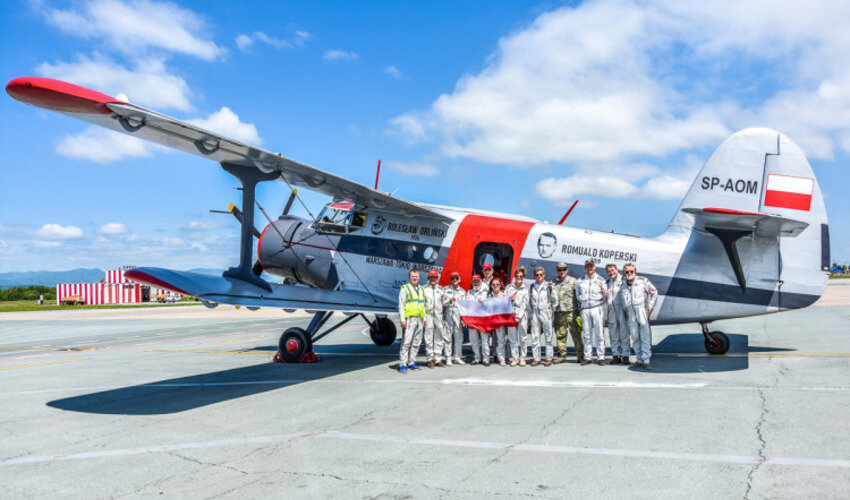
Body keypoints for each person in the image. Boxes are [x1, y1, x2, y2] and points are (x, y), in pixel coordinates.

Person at [619, 263, 658, 370]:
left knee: (645, 336)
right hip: (630, 313)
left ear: (635, 272)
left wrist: (650, 306)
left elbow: (654, 292)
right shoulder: (622, 286)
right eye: (627, 272)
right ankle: (639, 359)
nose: (629, 273)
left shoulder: (642, 281)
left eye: (631, 271)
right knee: (635, 336)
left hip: (641, 310)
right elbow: (623, 303)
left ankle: (646, 360)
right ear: (624, 273)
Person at [552, 262, 583, 364]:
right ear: (557, 270)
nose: (562, 272)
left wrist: (579, 312)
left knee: (576, 335)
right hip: (559, 312)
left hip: (572, 312)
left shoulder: (573, 281)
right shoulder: (553, 282)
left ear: (567, 270)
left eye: (564, 269)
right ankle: (562, 355)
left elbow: (579, 297)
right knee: (560, 335)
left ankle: (580, 356)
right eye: (560, 270)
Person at [577, 259, 608, 365]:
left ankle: (600, 357)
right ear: (585, 267)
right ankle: (588, 357)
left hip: (596, 308)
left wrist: (598, 304)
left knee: (599, 333)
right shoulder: (580, 280)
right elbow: (578, 295)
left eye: (591, 266)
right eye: (587, 266)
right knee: (586, 334)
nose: (589, 268)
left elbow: (605, 295)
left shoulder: (600, 280)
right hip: (585, 308)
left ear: (594, 267)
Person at [398, 268, 425, 373]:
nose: (415, 278)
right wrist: (402, 320)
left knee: (417, 342)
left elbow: (423, 305)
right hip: (410, 319)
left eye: (416, 276)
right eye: (413, 276)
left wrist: (425, 319)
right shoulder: (405, 289)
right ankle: (403, 364)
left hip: (420, 318)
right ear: (410, 277)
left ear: (419, 277)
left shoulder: (421, 289)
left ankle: (412, 362)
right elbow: (401, 305)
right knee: (406, 342)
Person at [528, 266, 557, 366]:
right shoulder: (532, 287)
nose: (539, 277)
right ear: (534, 276)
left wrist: (551, 311)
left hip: (546, 312)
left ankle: (549, 358)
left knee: (548, 336)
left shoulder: (549, 286)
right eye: (537, 275)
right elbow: (529, 301)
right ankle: (537, 358)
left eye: (541, 275)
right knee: (535, 337)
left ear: (544, 275)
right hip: (535, 313)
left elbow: (555, 300)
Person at [605, 263, 630, 365]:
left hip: (621, 310)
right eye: (609, 271)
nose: (611, 273)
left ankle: (625, 355)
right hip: (611, 310)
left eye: (613, 270)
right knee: (613, 333)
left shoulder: (623, 280)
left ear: (617, 270)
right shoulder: (608, 282)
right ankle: (616, 355)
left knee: (624, 332)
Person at [505, 267, 530, 366]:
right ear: (514, 277)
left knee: (523, 337)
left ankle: (522, 358)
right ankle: (515, 358)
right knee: (512, 338)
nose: (519, 278)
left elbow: (525, 304)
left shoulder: (525, 289)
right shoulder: (509, 287)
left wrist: (519, 316)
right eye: (517, 276)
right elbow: (504, 300)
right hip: (511, 313)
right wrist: (509, 299)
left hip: (522, 315)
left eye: (521, 276)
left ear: (523, 277)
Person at [442, 271, 467, 365]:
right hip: (448, 312)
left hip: (458, 313)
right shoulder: (445, 289)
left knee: (458, 336)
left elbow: (464, 307)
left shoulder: (463, 292)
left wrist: (462, 319)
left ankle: (458, 357)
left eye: (456, 278)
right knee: (447, 336)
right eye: (453, 278)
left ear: (459, 279)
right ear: (450, 279)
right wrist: (449, 300)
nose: (454, 280)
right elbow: (442, 303)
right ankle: (448, 357)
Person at [423, 270, 446, 368]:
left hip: (438, 315)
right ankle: (430, 359)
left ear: (437, 279)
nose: (433, 279)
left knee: (438, 337)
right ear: (429, 278)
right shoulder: (424, 289)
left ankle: (438, 359)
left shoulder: (441, 289)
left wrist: (450, 301)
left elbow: (444, 302)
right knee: (428, 337)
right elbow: (422, 304)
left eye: (435, 277)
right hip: (428, 315)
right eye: (431, 277)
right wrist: (423, 318)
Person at [467, 274, 489, 365]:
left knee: (485, 340)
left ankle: (486, 359)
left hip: (483, 318)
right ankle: (477, 358)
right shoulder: (469, 293)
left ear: (481, 282)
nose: (476, 282)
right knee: (474, 340)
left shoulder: (485, 292)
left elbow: (490, 305)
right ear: (472, 282)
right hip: (472, 319)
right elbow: (466, 306)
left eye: (478, 281)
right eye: (474, 281)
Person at [488, 277, 509, 365]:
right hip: (496, 321)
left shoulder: (505, 295)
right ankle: (501, 357)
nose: (495, 286)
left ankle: (507, 356)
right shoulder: (490, 296)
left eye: (497, 284)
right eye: (493, 285)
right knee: (499, 340)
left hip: (506, 320)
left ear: (500, 285)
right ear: (491, 286)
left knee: (507, 339)